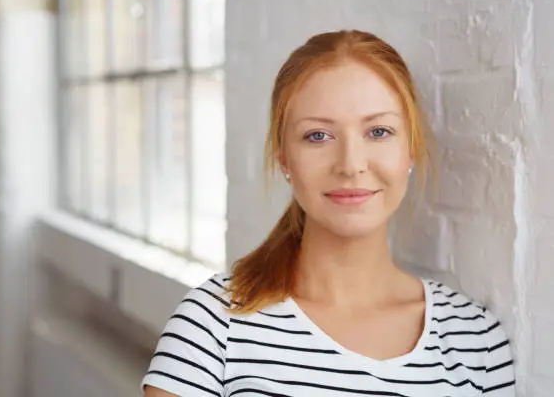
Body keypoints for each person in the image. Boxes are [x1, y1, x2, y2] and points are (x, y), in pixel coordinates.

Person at [142, 30, 516, 396]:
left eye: (379, 131)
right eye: (318, 136)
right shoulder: (212, 326)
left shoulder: (475, 342)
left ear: (411, 150)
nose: (351, 165)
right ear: (284, 158)